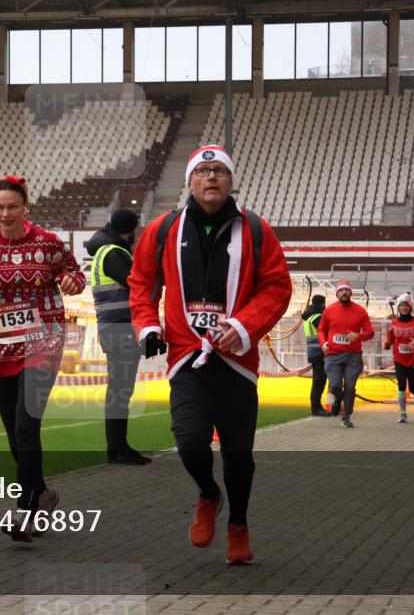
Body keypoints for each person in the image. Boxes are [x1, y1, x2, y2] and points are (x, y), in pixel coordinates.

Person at [128, 145, 292, 565]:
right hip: (187, 359)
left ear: (232, 179)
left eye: (219, 170)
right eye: (203, 171)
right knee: (188, 441)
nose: (212, 177)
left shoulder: (256, 230)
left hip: (237, 363)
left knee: (239, 456)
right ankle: (207, 493)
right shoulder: (163, 229)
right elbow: (143, 281)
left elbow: (276, 288)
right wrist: (147, 325)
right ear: (190, 182)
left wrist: (242, 326)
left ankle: (238, 524)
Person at [0, 163, 85, 541]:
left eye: (13, 206)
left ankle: (25, 510)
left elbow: (76, 275)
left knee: (28, 426)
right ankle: (42, 492)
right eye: (0, 208)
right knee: (16, 435)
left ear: (25, 206)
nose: (6, 214)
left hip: (43, 342)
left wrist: (68, 282)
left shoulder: (48, 243)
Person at [86, 208, 152, 465]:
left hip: (114, 327)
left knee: (121, 389)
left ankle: (119, 446)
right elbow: (139, 283)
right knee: (120, 391)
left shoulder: (105, 250)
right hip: (120, 328)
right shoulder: (115, 253)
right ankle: (117, 449)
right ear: (130, 230)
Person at [318, 281, 374, 428]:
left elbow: (370, 332)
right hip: (333, 355)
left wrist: (358, 336)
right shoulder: (329, 310)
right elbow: (321, 329)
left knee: (350, 386)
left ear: (351, 293)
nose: (344, 293)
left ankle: (347, 416)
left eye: (346, 290)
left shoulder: (360, 311)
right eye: (341, 290)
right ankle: (336, 400)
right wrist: (323, 342)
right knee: (335, 384)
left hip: (353, 356)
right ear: (337, 294)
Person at [383, 292, 414, 423]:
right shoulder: (393, 322)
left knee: (413, 387)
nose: (404, 308)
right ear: (398, 308)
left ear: (410, 307)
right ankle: (403, 412)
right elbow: (390, 338)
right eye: (401, 306)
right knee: (401, 385)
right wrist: (387, 344)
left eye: (406, 305)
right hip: (399, 359)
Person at [302, 295, 331, 416]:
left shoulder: (309, 317)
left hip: (314, 352)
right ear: (322, 304)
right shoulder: (317, 317)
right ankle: (317, 409)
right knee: (319, 382)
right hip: (320, 353)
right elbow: (327, 332)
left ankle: (317, 408)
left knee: (318, 381)